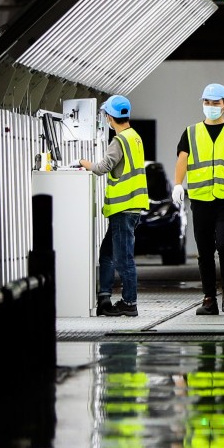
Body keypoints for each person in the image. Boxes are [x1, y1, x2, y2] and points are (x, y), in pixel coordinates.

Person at [172, 83, 224, 316]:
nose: (210, 107)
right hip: (200, 199)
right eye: (207, 102)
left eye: (215, 103)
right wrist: (178, 183)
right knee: (204, 250)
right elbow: (183, 159)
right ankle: (209, 298)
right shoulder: (191, 132)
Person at [79, 95, 149, 317]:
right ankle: (104, 297)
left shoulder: (119, 140)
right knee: (107, 252)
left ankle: (130, 303)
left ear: (110, 117)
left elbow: (103, 167)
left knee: (123, 257)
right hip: (131, 206)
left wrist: (85, 164)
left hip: (123, 207)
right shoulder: (135, 137)